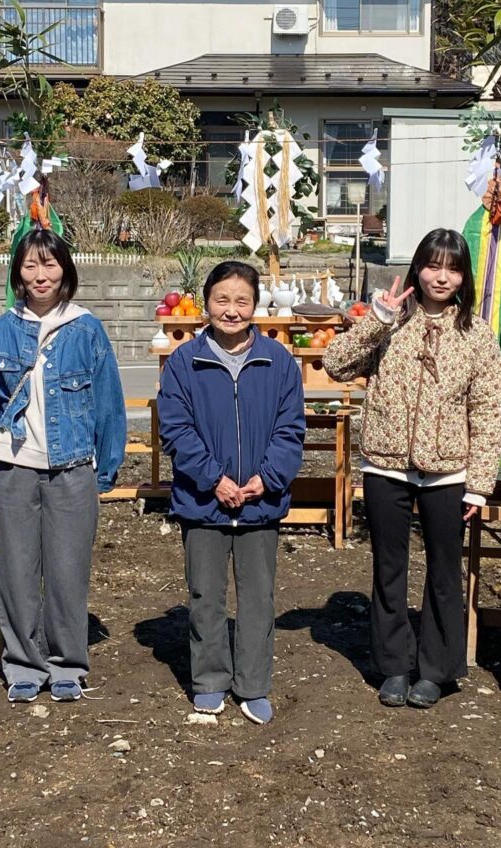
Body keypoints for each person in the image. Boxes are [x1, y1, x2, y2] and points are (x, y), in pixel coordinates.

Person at [324, 229, 501, 709]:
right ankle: (394, 666)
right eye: (433, 265)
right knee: (389, 569)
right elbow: (335, 364)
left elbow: (487, 411)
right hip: (387, 467)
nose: (441, 277)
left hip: (449, 472)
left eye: (453, 268)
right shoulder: (390, 321)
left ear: (463, 276)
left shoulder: (476, 334)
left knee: (445, 571)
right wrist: (376, 320)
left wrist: (480, 484)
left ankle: (437, 669)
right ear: (417, 268)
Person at [0, 228, 126, 703]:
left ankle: (68, 663)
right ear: (17, 273)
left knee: (69, 572)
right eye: (29, 265)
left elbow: (109, 405)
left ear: (65, 270)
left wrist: (106, 470)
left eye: (49, 265)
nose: (40, 275)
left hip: (73, 469)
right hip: (12, 469)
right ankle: (23, 664)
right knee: (15, 572)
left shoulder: (86, 329)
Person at [158, 261, 305, 726]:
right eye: (222, 299)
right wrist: (213, 479)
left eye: (242, 300)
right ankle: (209, 680)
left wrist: (268, 477)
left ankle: (254, 684)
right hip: (204, 503)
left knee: (258, 596)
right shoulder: (185, 362)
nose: (232, 310)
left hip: (260, 503)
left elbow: (290, 428)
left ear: (255, 304)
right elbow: (177, 429)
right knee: (205, 594)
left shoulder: (278, 360)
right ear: (207, 303)